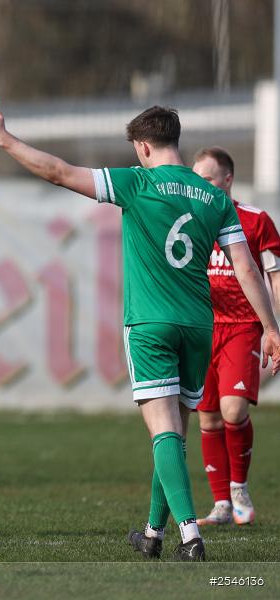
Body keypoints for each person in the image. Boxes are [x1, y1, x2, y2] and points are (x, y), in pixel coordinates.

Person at [0, 103, 280, 561]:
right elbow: (246, 267)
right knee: (175, 430)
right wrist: (271, 326)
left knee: (163, 433)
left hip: (151, 324)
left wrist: (3, 139)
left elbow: (57, 171)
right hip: (198, 327)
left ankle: (191, 536)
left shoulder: (137, 181)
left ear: (144, 146)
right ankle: (154, 532)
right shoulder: (214, 198)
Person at [191, 147, 280, 527]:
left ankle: (239, 486)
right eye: (196, 178)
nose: (200, 185)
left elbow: (274, 276)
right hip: (201, 327)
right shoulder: (188, 221)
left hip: (243, 326)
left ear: (227, 180)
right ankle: (222, 505)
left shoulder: (256, 220)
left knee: (233, 409)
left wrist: (274, 327)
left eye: (207, 179)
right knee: (208, 418)